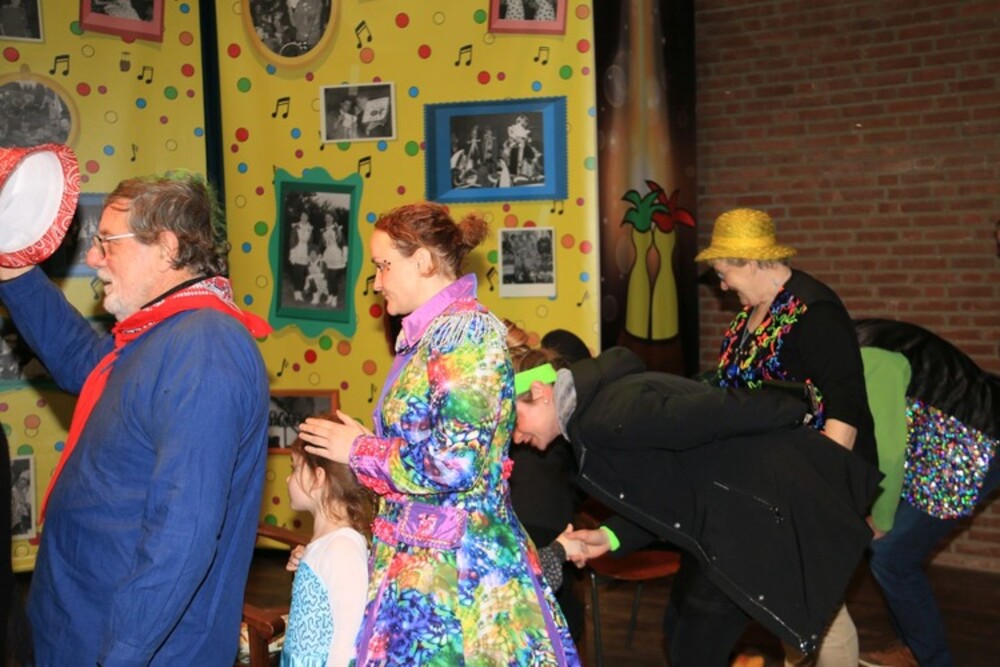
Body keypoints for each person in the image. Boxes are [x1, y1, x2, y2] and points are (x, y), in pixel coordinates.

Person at [0, 173, 272, 665]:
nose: (93, 258)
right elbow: (84, 363)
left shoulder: (206, 346)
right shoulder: (166, 331)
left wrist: (123, 654)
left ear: (167, 248)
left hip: (129, 647)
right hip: (81, 626)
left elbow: (183, 535)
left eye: (108, 242)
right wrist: (13, 267)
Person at [295, 202, 580, 665]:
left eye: (384, 266)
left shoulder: (467, 335)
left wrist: (360, 449)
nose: (377, 282)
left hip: (458, 576)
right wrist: (366, 444)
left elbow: (454, 462)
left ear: (424, 261)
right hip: (425, 561)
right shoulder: (431, 336)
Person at [510, 343, 880, 667]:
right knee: (679, 632)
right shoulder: (594, 420)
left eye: (515, 420)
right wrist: (610, 536)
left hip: (740, 529)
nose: (514, 436)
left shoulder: (609, 415)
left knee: (693, 649)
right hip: (710, 530)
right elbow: (666, 492)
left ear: (540, 392)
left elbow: (720, 411)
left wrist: (795, 406)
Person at [696, 207, 877, 667]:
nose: (722, 286)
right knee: (794, 600)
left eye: (723, 273)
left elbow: (846, 405)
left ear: (750, 262)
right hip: (772, 477)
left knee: (816, 606)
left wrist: (816, 492)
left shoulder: (814, 312)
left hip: (814, 478)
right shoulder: (750, 314)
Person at [855, 319, 1000, 667]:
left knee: (891, 552)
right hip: (940, 441)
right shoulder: (843, 342)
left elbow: (889, 453)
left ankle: (928, 658)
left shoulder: (866, 356)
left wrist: (882, 519)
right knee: (889, 552)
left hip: (973, 437)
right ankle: (911, 648)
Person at [281, 417, 376, 667]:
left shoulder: (342, 549)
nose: (288, 479)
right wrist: (308, 562)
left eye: (295, 468)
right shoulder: (328, 545)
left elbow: (347, 637)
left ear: (318, 478)